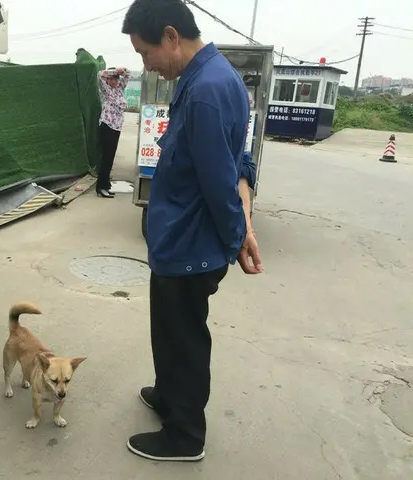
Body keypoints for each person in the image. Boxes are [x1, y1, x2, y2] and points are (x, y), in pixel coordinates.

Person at [120, 0, 264, 462]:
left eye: (145, 53)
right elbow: (235, 158)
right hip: (179, 239)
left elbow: (221, 179)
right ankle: (168, 396)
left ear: (170, 36)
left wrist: (234, 238)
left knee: (183, 339)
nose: (148, 65)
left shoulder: (205, 89)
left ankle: (184, 434)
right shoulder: (210, 77)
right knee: (169, 331)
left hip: (192, 245)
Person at [96, 66, 130, 198]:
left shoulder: (120, 89)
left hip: (116, 127)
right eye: (111, 79)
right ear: (108, 80)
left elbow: (127, 75)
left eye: (116, 79)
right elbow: (100, 75)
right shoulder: (106, 89)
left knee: (110, 158)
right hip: (107, 125)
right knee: (106, 158)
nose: (114, 81)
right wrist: (115, 71)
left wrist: (122, 71)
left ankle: (106, 184)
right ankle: (101, 187)